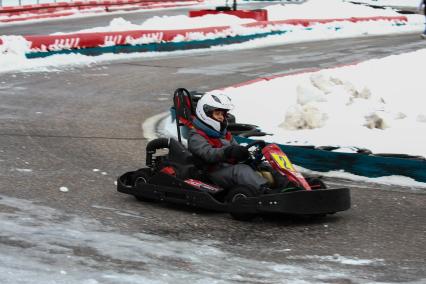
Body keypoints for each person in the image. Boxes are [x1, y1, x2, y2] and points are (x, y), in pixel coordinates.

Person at [187, 92, 269, 193]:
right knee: (240, 170)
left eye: (222, 114)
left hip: (228, 168)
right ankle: (265, 192)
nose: (221, 117)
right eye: (217, 114)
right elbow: (208, 154)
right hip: (211, 173)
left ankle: (287, 185)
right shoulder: (196, 136)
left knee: (264, 165)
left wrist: (247, 155)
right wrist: (228, 152)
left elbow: (236, 149)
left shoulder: (223, 134)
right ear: (205, 113)